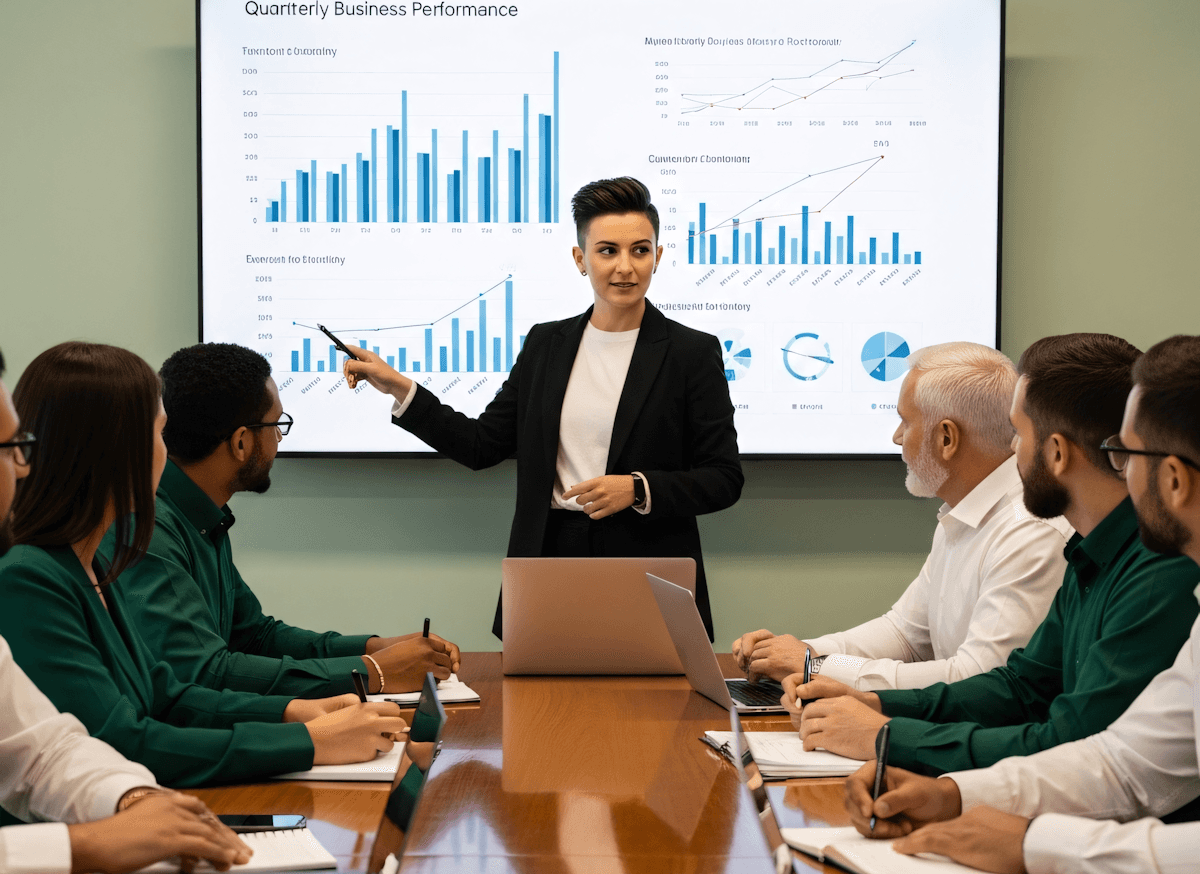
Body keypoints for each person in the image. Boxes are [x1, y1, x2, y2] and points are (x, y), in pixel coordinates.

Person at [842, 335, 1200, 874]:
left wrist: (1034, 843)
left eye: (1127, 455)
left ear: (1176, 480)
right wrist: (952, 794)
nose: (1009, 453)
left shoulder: (1162, 574)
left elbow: (1086, 745)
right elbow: (1121, 761)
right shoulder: (1093, 553)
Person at [342, 176, 743, 639]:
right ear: (580, 259)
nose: (625, 267)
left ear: (658, 255)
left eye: (640, 250)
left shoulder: (691, 352)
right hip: (549, 556)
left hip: (648, 561)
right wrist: (398, 387)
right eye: (607, 250)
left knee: (648, 706)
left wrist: (636, 489)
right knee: (543, 704)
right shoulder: (545, 345)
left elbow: (724, 478)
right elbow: (482, 444)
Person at [785, 332, 1200, 773]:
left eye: (1018, 433)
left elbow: (1073, 742)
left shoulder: (1153, 570)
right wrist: (871, 701)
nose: (1011, 449)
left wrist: (887, 734)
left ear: (1056, 452)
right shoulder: (1090, 551)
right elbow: (1020, 686)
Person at [0, 342, 407, 788]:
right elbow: (121, 741)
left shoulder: (92, 561)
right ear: (112, 450)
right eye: (159, 433)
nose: (168, 450)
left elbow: (166, 696)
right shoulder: (29, 577)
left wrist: (294, 711)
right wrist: (307, 740)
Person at [0, 348, 250, 874]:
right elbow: (123, 730)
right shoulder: (26, 577)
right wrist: (87, 845)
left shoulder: (93, 564)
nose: (22, 466)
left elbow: (46, 751)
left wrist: (134, 800)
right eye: (12, 449)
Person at [105, 342, 459, 698]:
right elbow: (206, 673)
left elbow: (255, 636)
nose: (278, 438)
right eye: (277, 425)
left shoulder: (202, 517)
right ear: (241, 443)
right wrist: (374, 672)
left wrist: (374, 648)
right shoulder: (148, 530)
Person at [732, 342, 1072, 689]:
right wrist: (809, 652)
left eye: (905, 422)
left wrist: (816, 667)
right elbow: (905, 634)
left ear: (946, 438)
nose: (896, 437)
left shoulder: (1029, 530)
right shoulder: (963, 512)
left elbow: (977, 678)